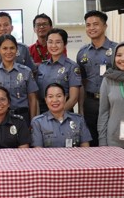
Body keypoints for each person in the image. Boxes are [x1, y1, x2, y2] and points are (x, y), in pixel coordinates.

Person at [77, 10, 117, 146]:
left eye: (95, 24)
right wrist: (81, 108)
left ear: (105, 26)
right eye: (88, 25)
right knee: (92, 141)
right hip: (90, 102)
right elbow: (81, 82)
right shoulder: (82, 52)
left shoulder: (117, 50)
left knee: (113, 138)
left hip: (112, 103)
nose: (91, 28)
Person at [0, 35, 38, 125]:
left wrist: (32, 122)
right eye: (5, 48)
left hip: (22, 117)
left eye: (12, 48)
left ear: (17, 50)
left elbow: (32, 99)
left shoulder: (26, 71)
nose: (9, 51)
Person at [31, 83, 91, 148]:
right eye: (50, 96)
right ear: (46, 100)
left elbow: (85, 148)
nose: (55, 100)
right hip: (49, 158)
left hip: (74, 157)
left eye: (59, 96)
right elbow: (38, 151)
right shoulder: (38, 122)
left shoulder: (78, 120)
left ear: (65, 98)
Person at [36, 28, 81, 113]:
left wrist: (57, 114)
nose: (53, 46)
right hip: (43, 112)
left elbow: (73, 98)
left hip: (64, 111)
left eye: (58, 42)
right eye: (50, 42)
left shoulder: (72, 67)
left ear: (65, 44)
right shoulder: (42, 66)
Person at [98, 42, 124, 148]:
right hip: (114, 139)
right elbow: (103, 113)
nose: (122, 59)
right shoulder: (108, 79)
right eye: (119, 55)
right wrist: (102, 142)